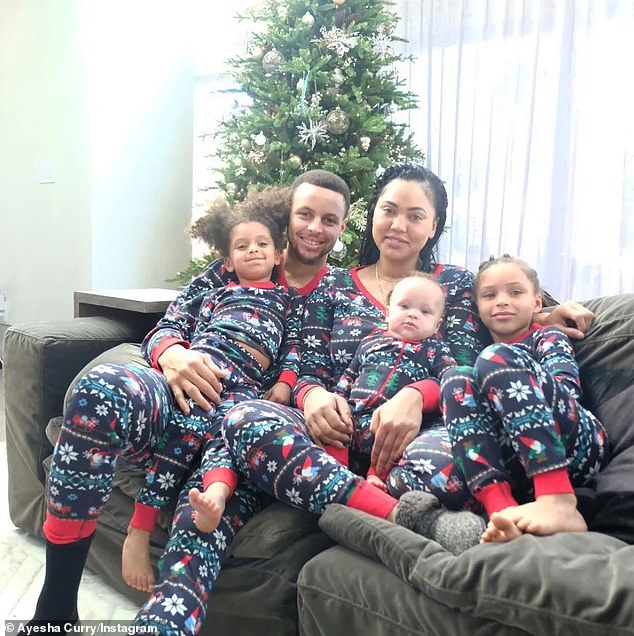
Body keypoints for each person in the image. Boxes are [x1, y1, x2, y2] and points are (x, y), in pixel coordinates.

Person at [220, 163, 598, 561]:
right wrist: (313, 396)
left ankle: (356, 501)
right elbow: (310, 366)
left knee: (443, 467)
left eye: (415, 215)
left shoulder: (453, 284)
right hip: (336, 434)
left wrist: (418, 396)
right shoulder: (332, 284)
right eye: (389, 210)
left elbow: (476, 359)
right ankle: (396, 512)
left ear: (433, 226)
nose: (398, 225)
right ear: (372, 215)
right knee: (244, 421)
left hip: (430, 432)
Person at [29, 170, 350, 631]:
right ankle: (55, 610)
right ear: (285, 220)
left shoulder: (330, 291)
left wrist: (289, 390)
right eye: (305, 214)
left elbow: (315, 365)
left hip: (242, 416)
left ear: (342, 227)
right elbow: (169, 324)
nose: (315, 228)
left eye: (329, 219)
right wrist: (173, 354)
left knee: (206, 502)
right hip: (179, 384)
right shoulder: (226, 271)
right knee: (99, 394)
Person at [120, 189, 305, 592]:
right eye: (242, 246)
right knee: (183, 437)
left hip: (247, 386)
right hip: (207, 368)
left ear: (278, 255)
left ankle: (214, 498)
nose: (253, 251)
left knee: (227, 436)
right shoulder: (216, 292)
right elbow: (189, 331)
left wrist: (285, 385)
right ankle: (139, 529)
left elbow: (293, 347)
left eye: (262, 244)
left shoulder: (288, 301)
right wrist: (181, 358)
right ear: (228, 260)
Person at [440, 255, 607, 542]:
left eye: (515, 292)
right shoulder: (478, 361)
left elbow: (567, 395)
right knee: (454, 377)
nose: (502, 301)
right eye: (490, 295)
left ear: (537, 303)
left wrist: (508, 371)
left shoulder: (547, 337)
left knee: (495, 358)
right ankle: (501, 511)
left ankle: (558, 499)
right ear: (478, 308)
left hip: (574, 443)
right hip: (517, 465)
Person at [325, 272, 457, 491]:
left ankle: (376, 475)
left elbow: (450, 379)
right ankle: (338, 478)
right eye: (404, 307)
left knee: (398, 444)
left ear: (437, 325)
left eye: (425, 311)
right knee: (333, 436)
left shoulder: (435, 349)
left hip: (393, 424)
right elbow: (349, 376)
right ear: (387, 313)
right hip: (353, 414)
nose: (413, 315)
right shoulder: (370, 343)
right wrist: (337, 400)